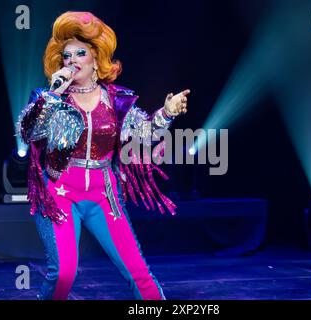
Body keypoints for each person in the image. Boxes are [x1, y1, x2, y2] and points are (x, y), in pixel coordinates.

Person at [16, 11, 190, 300]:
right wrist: (53, 95)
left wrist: (166, 114)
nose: (71, 60)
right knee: (63, 273)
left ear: (96, 58)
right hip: (60, 191)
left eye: (79, 53)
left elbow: (143, 135)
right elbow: (30, 132)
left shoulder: (116, 100)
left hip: (104, 193)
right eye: (66, 55)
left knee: (140, 273)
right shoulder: (50, 99)